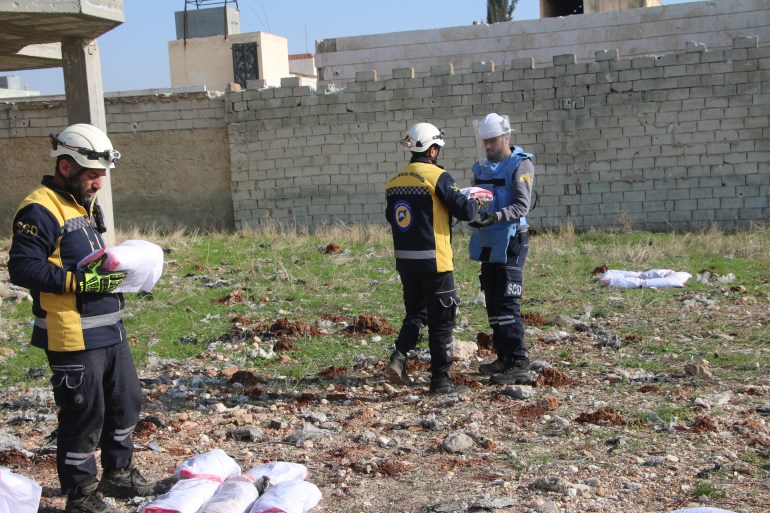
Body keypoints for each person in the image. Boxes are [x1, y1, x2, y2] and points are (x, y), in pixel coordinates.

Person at [8, 124, 167, 513]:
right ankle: (80, 494)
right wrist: (79, 281)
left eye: (101, 176)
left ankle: (119, 475)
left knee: (125, 402)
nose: (98, 184)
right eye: (92, 175)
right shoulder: (39, 209)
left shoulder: (84, 204)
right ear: (65, 167)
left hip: (110, 328)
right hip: (71, 334)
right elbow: (22, 269)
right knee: (84, 414)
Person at [384, 122, 481, 395]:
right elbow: (465, 211)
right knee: (442, 320)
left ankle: (399, 357)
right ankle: (440, 382)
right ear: (433, 149)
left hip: (406, 261)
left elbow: (391, 217)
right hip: (435, 261)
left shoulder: (394, 180)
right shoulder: (438, 177)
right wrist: (477, 202)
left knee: (416, 313)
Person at [467, 113, 536, 385]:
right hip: (488, 240)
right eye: (485, 141)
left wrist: (494, 217)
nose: (488, 147)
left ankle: (519, 360)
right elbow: (477, 198)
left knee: (508, 300)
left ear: (506, 137)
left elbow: (522, 206)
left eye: (493, 141)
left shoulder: (521, 165)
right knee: (493, 299)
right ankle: (503, 357)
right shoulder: (482, 168)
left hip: (511, 239)